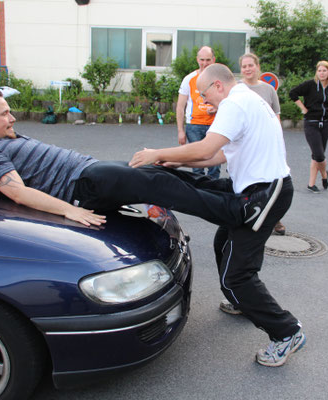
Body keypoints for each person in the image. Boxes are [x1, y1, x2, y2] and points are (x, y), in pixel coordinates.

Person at [130, 64, 305, 367]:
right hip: (253, 189)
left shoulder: (235, 103)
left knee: (236, 275)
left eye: (204, 94)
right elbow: (218, 155)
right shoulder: (245, 99)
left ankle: (286, 331)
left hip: (265, 194)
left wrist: (159, 153)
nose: (204, 102)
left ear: (219, 86)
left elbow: (205, 148)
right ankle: (243, 301)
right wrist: (173, 162)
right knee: (223, 243)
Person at [0, 88, 280, 231]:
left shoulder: (6, 139)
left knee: (156, 169)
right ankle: (236, 212)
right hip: (83, 187)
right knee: (154, 184)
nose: (12, 117)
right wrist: (71, 211)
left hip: (90, 171)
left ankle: (228, 190)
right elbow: (17, 191)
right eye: (4, 114)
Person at [239, 52, 286, 236]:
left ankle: (274, 218)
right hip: (245, 144)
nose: (248, 69)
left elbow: (276, 118)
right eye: (244, 66)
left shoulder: (268, 89)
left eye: (251, 65)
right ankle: (246, 214)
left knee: (269, 180)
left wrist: (277, 141)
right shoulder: (237, 88)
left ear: (258, 67)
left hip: (265, 144)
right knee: (247, 181)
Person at [289, 61, 328, 193]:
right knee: (319, 155)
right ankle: (325, 175)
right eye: (319, 70)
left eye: (324, 71)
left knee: (316, 156)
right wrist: (303, 108)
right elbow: (293, 93)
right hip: (312, 123)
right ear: (316, 72)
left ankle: (311, 184)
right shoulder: (310, 85)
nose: (322, 73)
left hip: (326, 124)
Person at [176, 46, 221, 178]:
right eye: (202, 60)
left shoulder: (220, 79)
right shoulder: (189, 79)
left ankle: (213, 192)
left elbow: (228, 101)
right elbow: (180, 106)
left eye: (208, 60)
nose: (205, 63)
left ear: (213, 60)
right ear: (197, 60)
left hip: (216, 125)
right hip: (194, 126)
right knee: (196, 163)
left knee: (215, 164)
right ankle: (199, 193)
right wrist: (180, 130)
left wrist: (217, 108)